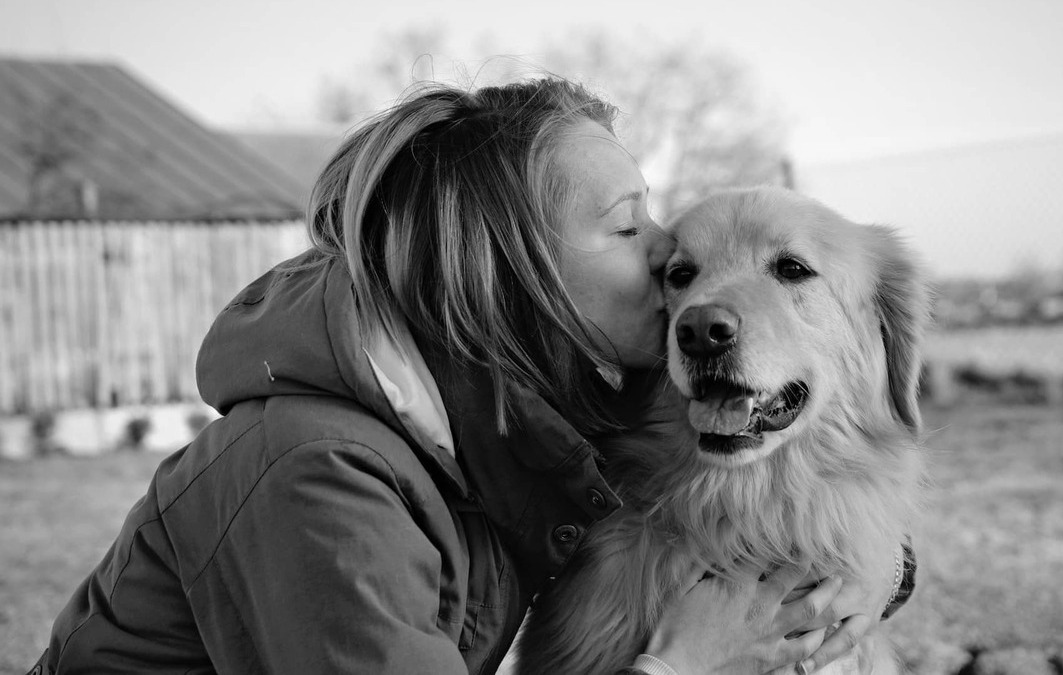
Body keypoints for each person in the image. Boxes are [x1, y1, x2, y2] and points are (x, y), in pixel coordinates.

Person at [31, 76, 913, 675]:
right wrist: (681, 661)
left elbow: (758, 504)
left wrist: (879, 572)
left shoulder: (513, 416)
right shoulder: (318, 475)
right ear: (508, 272)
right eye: (626, 226)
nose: (667, 256)